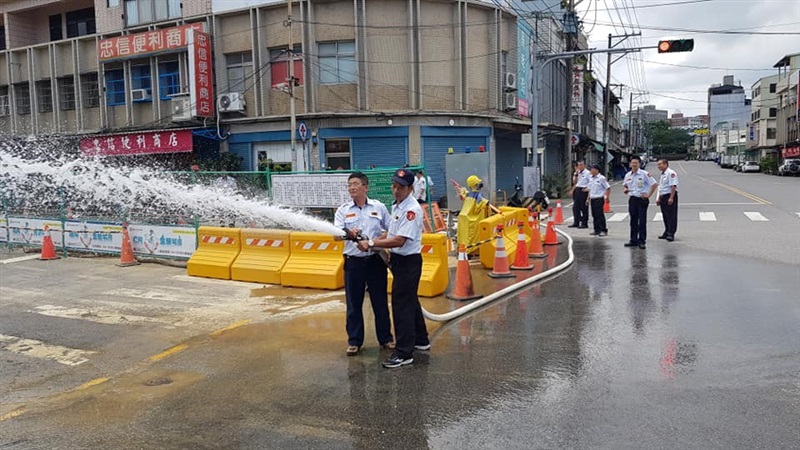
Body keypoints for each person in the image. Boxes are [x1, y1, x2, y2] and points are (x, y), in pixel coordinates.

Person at [357, 168, 429, 368]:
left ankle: (404, 353)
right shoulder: (398, 205)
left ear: (411, 188)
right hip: (398, 261)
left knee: (401, 306)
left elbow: (400, 240)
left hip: (408, 262)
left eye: (401, 187)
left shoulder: (411, 210)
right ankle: (421, 340)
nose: (396, 190)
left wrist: (372, 244)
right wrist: (379, 238)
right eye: (394, 186)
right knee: (410, 301)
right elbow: (392, 232)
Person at [334, 172, 394, 356]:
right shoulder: (343, 210)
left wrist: (377, 240)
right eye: (349, 184)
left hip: (375, 261)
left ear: (365, 187)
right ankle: (354, 341)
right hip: (353, 263)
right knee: (353, 303)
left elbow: (391, 229)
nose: (352, 187)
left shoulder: (379, 207)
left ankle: (386, 339)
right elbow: (336, 235)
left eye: (356, 184)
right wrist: (348, 233)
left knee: (380, 302)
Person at [456, 175, 501, 252]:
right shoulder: (478, 196)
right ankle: (471, 250)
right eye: (478, 183)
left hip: (463, 218)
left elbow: (464, 193)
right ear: (475, 185)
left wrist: (460, 189)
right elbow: (485, 203)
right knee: (471, 236)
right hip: (472, 221)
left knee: (464, 236)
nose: (480, 185)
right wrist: (498, 212)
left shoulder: (468, 195)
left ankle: (463, 249)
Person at [622, 155, 657, 249]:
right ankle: (633, 240)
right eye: (632, 163)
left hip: (642, 200)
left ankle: (642, 241)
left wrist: (648, 195)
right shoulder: (628, 175)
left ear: (639, 164)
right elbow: (625, 185)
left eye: (636, 163)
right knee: (633, 220)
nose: (634, 164)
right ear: (630, 164)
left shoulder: (644, 174)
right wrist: (625, 189)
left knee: (642, 221)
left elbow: (654, 184)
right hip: (632, 199)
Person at [655, 158, 679, 241]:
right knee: (665, 215)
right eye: (658, 165)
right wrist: (658, 198)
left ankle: (671, 233)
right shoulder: (663, 174)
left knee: (671, 215)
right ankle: (667, 231)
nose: (658, 166)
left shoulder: (671, 173)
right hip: (663, 196)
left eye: (660, 164)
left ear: (665, 164)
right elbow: (660, 187)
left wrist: (671, 197)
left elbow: (673, 186)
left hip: (669, 196)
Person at [585, 164, 610, 236]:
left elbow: (608, 188)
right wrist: (587, 199)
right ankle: (597, 229)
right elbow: (590, 190)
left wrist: (607, 197)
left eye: (592, 169)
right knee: (594, 215)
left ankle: (603, 230)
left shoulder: (601, 178)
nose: (591, 171)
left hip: (599, 199)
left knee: (600, 215)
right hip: (593, 199)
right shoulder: (591, 178)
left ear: (596, 170)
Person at [569, 161, 591, 229]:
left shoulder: (587, 173)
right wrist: (576, 175)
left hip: (583, 190)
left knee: (584, 207)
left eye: (581, 165)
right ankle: (576, 222)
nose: (580, 166)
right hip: (577, 190)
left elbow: (591, 181)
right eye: (579, 165)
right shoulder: (577, 173)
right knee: (575, 207)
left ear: (584, 165)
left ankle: (584, 223)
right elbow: (575, 182)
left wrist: (587, 188)